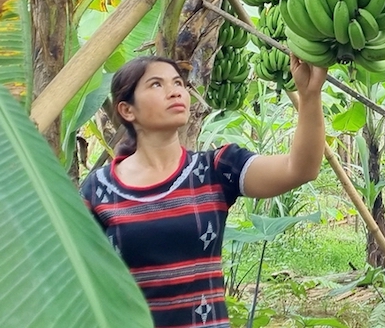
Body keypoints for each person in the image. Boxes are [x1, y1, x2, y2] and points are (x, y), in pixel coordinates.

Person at [79, 54, 327, 327]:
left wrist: (310, 95)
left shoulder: (216, 169)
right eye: (156, 85)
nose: (175, 91)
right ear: (127, 110)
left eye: (178, 83)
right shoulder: (99, 189)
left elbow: (299, 169)